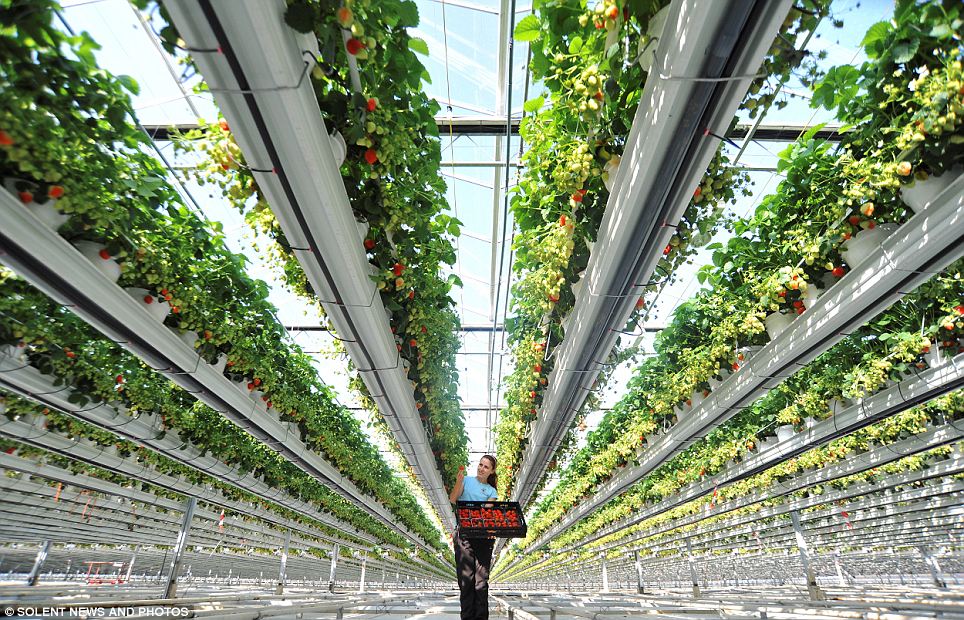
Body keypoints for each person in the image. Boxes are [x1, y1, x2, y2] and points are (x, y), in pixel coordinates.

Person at [449, 455, 498, 620]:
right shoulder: (467, 481)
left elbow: (487, 512)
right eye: (480, 465)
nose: (481, 468)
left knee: (481, 580)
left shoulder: (492, 491)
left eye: (486, 467)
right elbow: (453, 499)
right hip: (464, 534)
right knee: (466, 579)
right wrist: (458, 481)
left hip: (483, 537)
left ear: (491, 471)